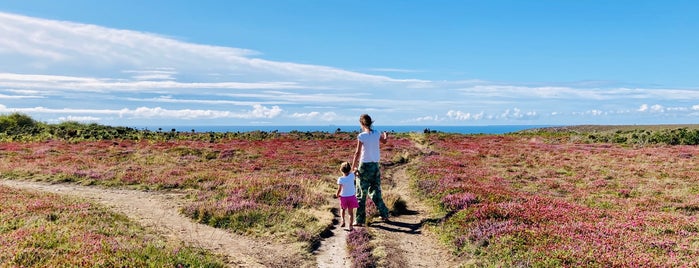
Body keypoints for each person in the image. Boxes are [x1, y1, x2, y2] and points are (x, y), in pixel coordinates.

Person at [351, 114, 390, 226]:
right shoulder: (377, 133)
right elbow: (385, 141)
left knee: (361, 194)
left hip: (364, 167)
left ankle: (359, 220)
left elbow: (357, 153)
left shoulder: (361, 136)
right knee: (375, 191)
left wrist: (354, 167)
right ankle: (384, 213)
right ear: (371, 122)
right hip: (375, 166)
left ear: (361, 123)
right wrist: (385, 135)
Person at [336, 162, 359, 231]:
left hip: (343, 197)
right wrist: (356, 169)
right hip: (351, 197)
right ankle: (350, 226)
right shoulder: (352, 175)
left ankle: (343, 221)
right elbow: (356, 171)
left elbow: (339, 189)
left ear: (341, 170)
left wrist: (337, 194)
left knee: (342, 209)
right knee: (351, 213)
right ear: (349, 169)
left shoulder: (340, 179)